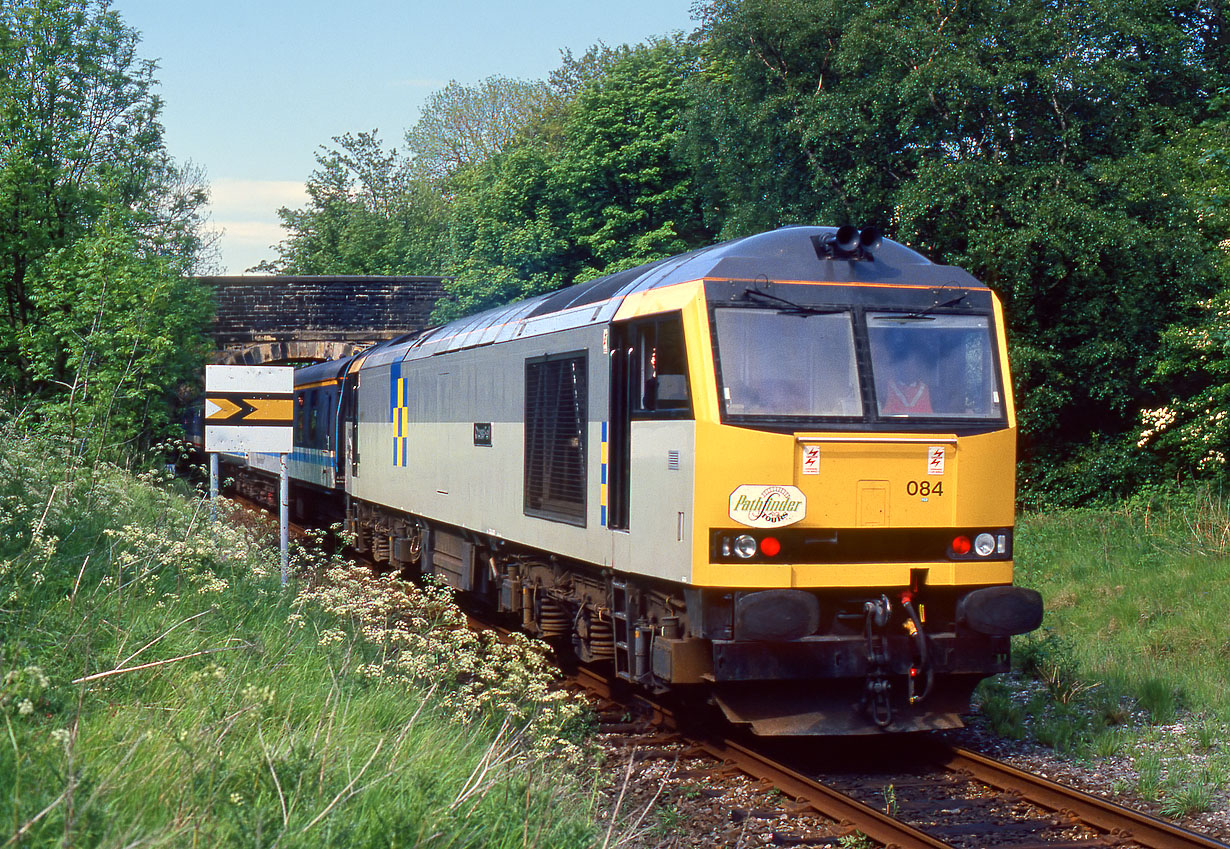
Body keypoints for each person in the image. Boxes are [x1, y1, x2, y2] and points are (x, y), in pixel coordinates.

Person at [881, 349, 933, 415]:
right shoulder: (885, 388)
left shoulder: (928, 390)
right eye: (906, 363)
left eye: (913, 364)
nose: (909, 368)